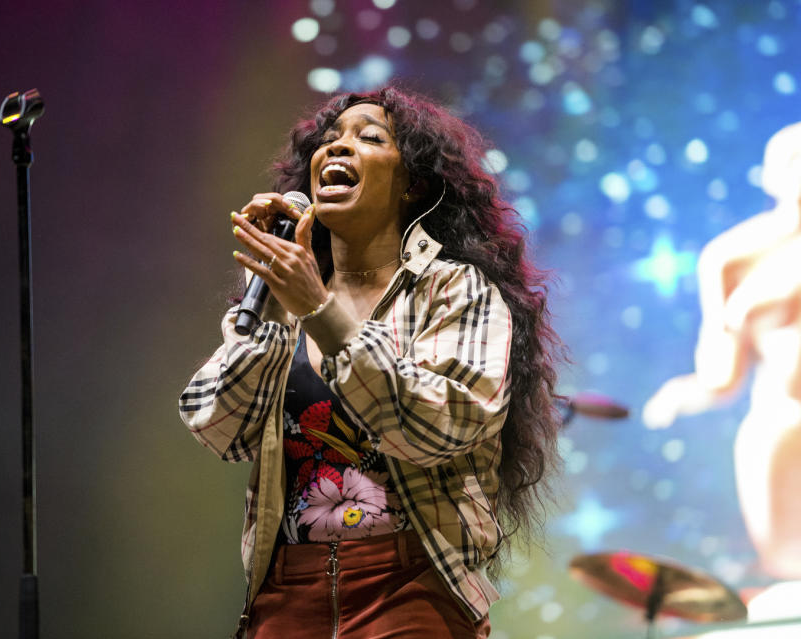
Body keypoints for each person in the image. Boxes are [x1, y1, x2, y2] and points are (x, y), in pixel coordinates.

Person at [179, 87, 562, 639]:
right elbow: (218, 428)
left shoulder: (453, 289)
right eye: (329, 141)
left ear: (414, 185)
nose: (337, 149)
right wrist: (273, 300)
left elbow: (438, 428)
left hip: (410, 589)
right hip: (286, 593)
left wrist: (319, 309)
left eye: (369, 138)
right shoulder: (287, 298)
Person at [644, 122, 801, 585]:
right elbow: (722, 374)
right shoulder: (732, 258)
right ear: (770, 176)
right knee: (792, 573)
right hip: (783, 428)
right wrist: (684, 392)